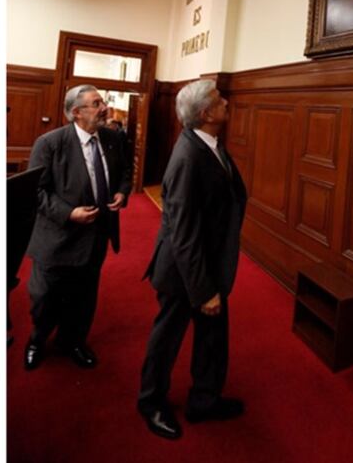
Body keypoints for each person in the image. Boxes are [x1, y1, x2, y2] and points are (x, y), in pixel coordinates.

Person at [137, 79, 248, 439]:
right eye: (218, 99)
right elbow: (183, 232)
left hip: (210, 264)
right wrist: (203, 291)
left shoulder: (208, 142)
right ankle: (151, 403)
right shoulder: (188, 156)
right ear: (205, 113)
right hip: (184, 272)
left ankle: (205, 400)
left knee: (213, 338)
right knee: (167, 340)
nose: (226, 102)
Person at [22, 84, 132, 371]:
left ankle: (73, 341)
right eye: (96, 104)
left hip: (96, 236)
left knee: (84, 297)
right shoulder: (49, 143)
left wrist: (122, 192)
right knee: (44, 298)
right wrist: (69, 213)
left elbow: (125, 171)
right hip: (57, 239)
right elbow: (37, 192)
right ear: (76, 112)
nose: (104, 108)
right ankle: (37, 341)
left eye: (102, 102)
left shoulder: (113, 138)